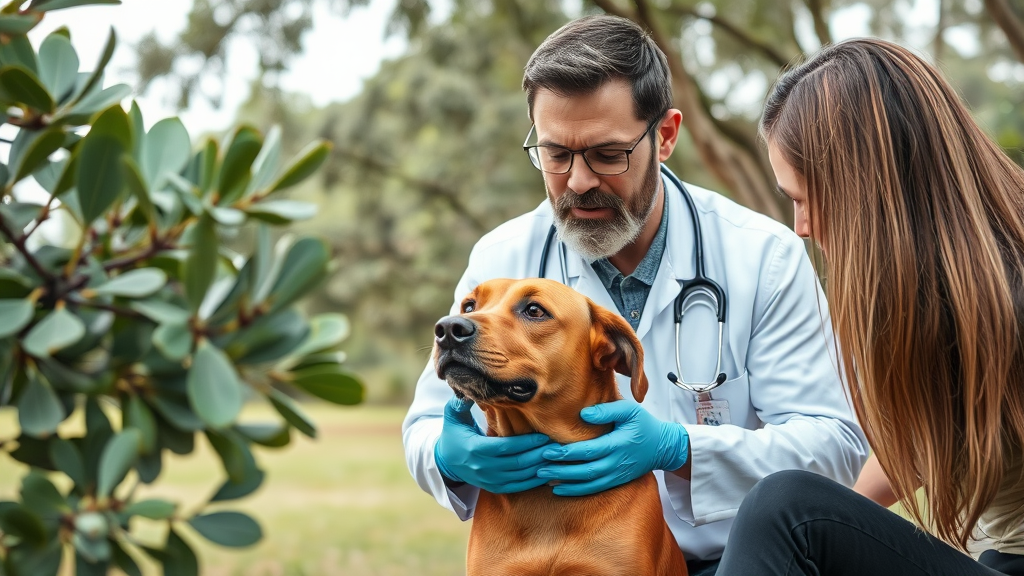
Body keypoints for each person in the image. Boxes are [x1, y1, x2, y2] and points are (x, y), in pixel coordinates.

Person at [402, 15, 869, 575]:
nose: (577, 181)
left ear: (665, 136)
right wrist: (454, 459)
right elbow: (427, 426)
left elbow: (836, 447)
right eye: (555, 154)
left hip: (741, 562)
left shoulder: (763, 257)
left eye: (606, 154)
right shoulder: (501, 259)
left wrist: (682, 449)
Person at [716, 38, 1024, 576]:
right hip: (992, 561)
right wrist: (838, 525)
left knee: (782, 511)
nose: (801, 227)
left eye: (803, 198)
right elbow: (923, 446)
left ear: (863, 189)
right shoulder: (944, 298)